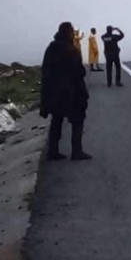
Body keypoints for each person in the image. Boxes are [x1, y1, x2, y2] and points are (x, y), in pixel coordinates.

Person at [40, 22, 92, 161]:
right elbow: (79, 72)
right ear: (69, 33)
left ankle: (53, 150)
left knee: (57, 120)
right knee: (77, 120)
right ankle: (77, 151)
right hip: (72, 91)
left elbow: (46, 70)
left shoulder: (51, 48)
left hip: (55, 92)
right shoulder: (71, 50)